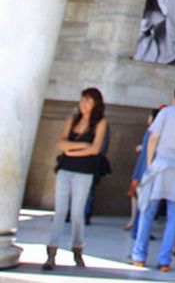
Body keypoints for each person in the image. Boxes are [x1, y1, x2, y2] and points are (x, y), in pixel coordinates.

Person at [131, 85, 175, 272]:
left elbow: (153, 138)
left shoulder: (166, 113)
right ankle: (164, 260)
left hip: (161, 165)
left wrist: (149, 163)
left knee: (148, 210)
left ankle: (139, 255)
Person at [43, 88, 108, 270]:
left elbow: (95, 149)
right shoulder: (72, 120)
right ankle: (52, 251)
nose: (84, 104)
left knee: (77, 212)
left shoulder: (100, 122)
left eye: (88, 101)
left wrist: (71, 150)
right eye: (82, 100)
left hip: (84, 172)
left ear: (96, 103)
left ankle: (77, 248)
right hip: (65, 169)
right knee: (60, 211)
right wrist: (81, 146)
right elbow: (60, 143)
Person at [125, 108, 162, 232]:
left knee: (141, 202)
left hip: (143, 170)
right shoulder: (154, 133)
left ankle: (137, 229)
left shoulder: (151, 132)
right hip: (146, 171)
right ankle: (139, 230)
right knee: (144, 203)